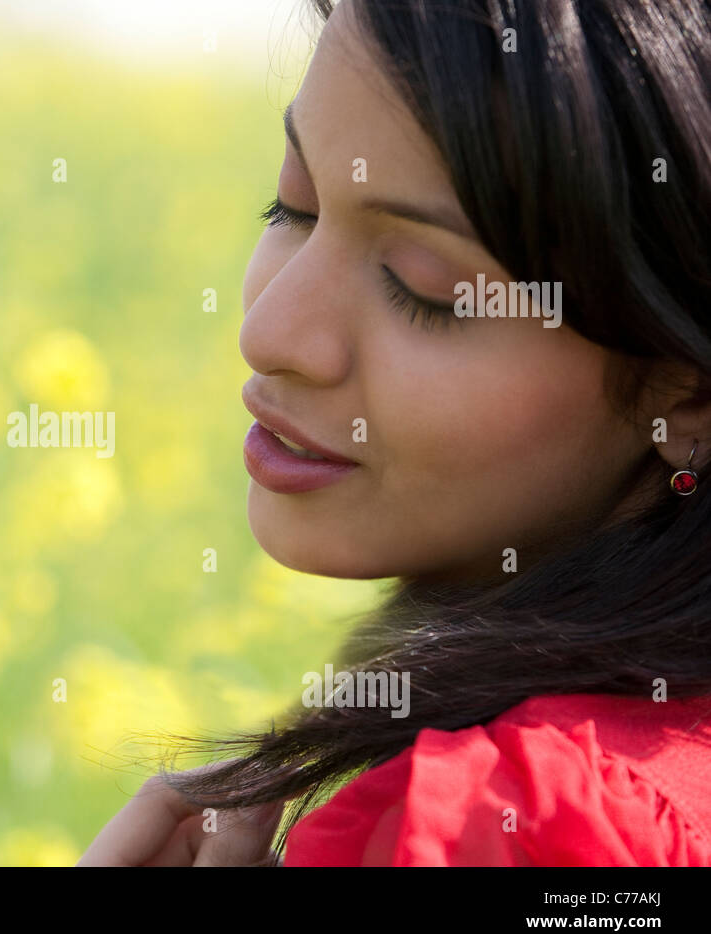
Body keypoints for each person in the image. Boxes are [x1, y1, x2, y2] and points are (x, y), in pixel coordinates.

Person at [79, 0, 711, 866]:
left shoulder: (514, 822)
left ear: (689, 396)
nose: (270, 332)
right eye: (291, 206)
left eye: (425, 288)